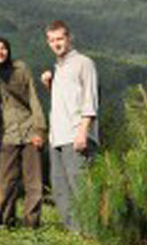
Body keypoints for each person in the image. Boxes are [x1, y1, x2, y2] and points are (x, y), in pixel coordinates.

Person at [40, 20, 99, 232]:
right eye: (52, 40)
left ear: (69, 38)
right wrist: (49, 86)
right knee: (60, 189)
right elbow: (64, 102)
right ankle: (74, 233)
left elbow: (90, 101)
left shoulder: (84, 63)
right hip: (57, 137)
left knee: (81, 188)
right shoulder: (58, 68)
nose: (57, 43)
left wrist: (83, 132)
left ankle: (92, 232)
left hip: (76, 136)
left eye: (60, 39)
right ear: (48, 42)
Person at [0, 37, 46, 228]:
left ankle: (32, 223)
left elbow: (33, 98)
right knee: (4, 183)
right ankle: (4, 221)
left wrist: (40, 130)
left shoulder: (21, 69)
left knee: (34, 183)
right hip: (6, 134)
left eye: (3, 48)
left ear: (8, 51)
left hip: (29, 129)